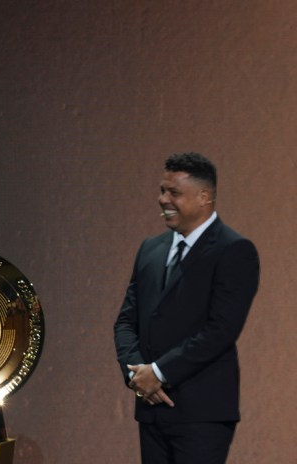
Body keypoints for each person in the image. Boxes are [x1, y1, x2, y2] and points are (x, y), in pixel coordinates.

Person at [113, 153, 260, 464]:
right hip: (152, 410)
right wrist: (138, 374)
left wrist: (160, 372)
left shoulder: (234, 251)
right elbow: (126, 321)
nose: (162, 199)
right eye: (162, 191)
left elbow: (220, 330)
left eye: (173, 193)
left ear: (204, 196)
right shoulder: (150, 248)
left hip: (202, 413)